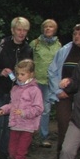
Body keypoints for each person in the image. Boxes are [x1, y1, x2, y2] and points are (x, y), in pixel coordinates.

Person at [0, 17, 33, 159]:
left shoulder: (28, 49)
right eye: (19, 29)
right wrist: (0, 71)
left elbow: (30, 71)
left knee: (9, 125)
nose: (21, 33)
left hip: (15, 94)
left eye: (24, 30)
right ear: (12, 30)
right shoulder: (1, 44)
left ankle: (3, 156)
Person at [47, 23, 80, 159]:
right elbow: (52, 71)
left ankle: (73, 155)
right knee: (63, 122)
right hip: (65, 93)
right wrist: (58, 90)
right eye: (75, 34)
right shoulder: (65, 50)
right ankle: (60, 156)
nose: (77, 37)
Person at [0, 59, 43, 159]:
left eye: (23, 74)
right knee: (12, 153)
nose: (19, 77)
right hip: (15, 125)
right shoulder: (15, 88)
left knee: (20, 153)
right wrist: (3, 109)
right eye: (18, 74)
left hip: (27, 126)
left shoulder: (35, 90)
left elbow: (39, 108)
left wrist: (24, 113)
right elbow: (13, 105)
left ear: (31, 74)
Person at [29, 19, 61, 147]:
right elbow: (27, 61)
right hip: (35, 81)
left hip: (49, 82)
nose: (48, 29)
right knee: (31, 107)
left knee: (46, 109)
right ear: (42, 29)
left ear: (54, 30)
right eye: (46, 27)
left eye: (51, 27)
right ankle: (29, 134)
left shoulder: (59, 46)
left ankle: (44, 136)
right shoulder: (35, 43)